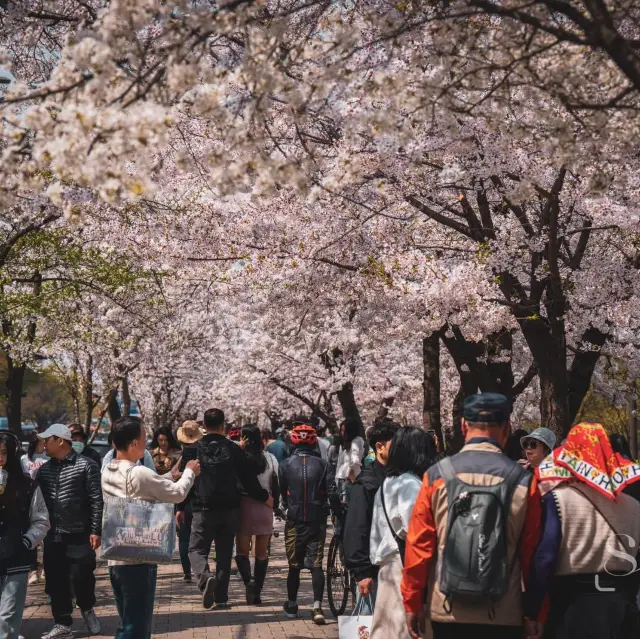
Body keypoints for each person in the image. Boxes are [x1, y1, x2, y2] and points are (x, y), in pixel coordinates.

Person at [401, 393, 542, 639]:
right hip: (503, 612)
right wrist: (535, 611)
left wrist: (412, 602)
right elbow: (533, 553)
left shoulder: (436, 476)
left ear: (464, 425)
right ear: (507, 428)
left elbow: (419, 547)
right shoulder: (524, 482)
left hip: (446, 609)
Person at [525, 422, 640, 639]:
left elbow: (545, 557)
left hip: (572, 604)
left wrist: (533, 609)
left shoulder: (558, 500)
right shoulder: (633, 506)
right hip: (621, 604)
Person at [102, 416, 200, 639]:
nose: (147, 443)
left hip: (116, 557)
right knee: (136, 626)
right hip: (139, 558)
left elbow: (139, 490)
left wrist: (168, 476)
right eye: (144, 437)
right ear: (134, 443)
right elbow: (177, 493)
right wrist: (189, 473)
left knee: (127, 620)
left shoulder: (108, 470)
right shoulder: (138, 472)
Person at [179, 408, 270, 610]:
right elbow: (248, 479)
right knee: (224, 554)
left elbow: (184, 481)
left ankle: (204, 578)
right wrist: (265, 497)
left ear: (204, 426)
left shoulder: (193, 449)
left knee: (195, 549)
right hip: (230, 509)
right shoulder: (234, 449)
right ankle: (221, 598)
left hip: (202, 508)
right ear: (223, 426)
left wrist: (180, 507)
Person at [37, 424, 103, 639]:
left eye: (48, 440)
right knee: (56, 581)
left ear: (61, 441)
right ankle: (62, 623)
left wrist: (95, 530)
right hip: (53, 535)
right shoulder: (44, 470)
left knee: (82, 577)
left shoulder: (87, 465)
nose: (44, 444)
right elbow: (37, 504)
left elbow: (96, 500)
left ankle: (87, 607)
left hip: (80, 534)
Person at [369, 427, 431, 638]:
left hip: (389, 566)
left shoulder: (389, 482)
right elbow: (416, 531)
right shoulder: (410, 485)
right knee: (405, 630)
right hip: (405, 566)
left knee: (388, 630)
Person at [279, 423, 342, 625]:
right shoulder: (324, 465)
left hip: (294, 520)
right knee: (316, 565)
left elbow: (282, 493)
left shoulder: (285, 465)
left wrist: (286, 506)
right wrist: (338, 513)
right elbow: (332, 492)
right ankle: (317, 607)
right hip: (317, 519)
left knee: (294, 565)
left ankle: (291, 604)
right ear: (314, 441)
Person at [344, 419, 400, 614]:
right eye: (397, 444)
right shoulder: (367, 483)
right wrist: (362, 573)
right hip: (372, 574)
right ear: (380, 447)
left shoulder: (397, 477)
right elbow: (356, 528)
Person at [0, 433, 50, 639]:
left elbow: (41, 520)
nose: (0, 458)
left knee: (9, 615)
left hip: (16, 559)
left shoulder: (28, 485)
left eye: (4, 453)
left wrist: (26, 542)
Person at [235, 424, 280, 605]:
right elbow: (276, 481)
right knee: (261, 553)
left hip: (244, 507)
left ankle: (249, 583)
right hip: (265, 507)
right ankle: (257, 592)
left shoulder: (240, 458)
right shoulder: (270, 458)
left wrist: (238, 448)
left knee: (242, 552)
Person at [173, 420, 202, 583]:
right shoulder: (203, 452)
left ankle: (187, 572)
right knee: (200, 539)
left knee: (184, 538)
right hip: (202, 502)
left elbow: (178, 479)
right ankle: (202, 570)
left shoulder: (183, 455)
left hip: (186, 501)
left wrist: (179, 507)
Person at [335, 418, 366, 500]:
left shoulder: (356, 441)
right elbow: (340, 463)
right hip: (343, 479)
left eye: (344, 431)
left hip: (350, 480)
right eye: (341, 430)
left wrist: (352, 477)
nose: (342, 433)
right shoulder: (346, 443)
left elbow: (355, 460)